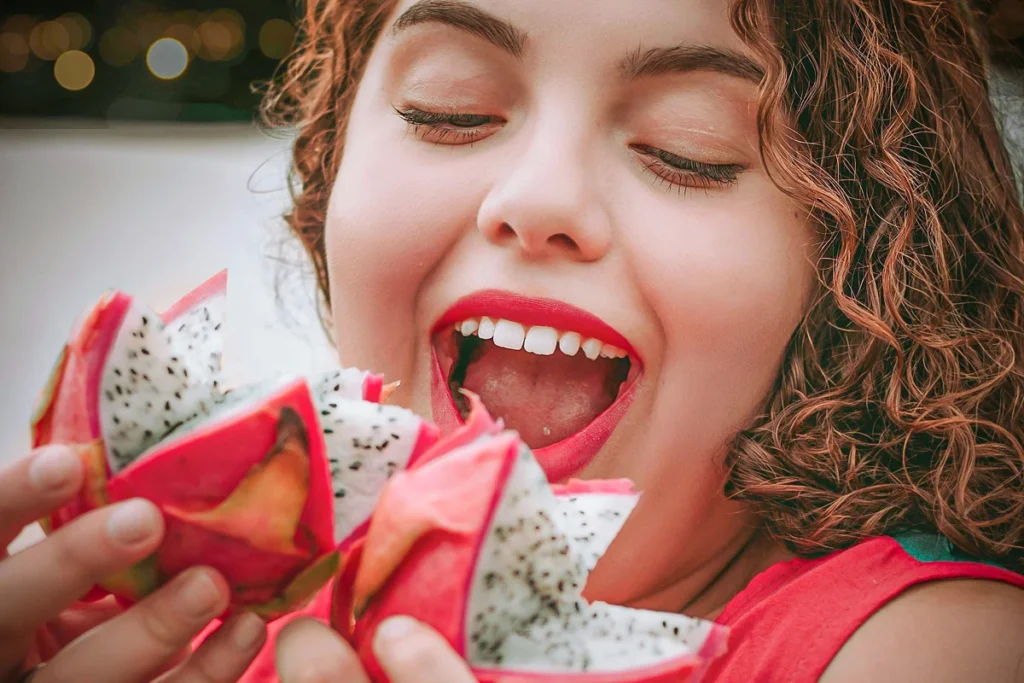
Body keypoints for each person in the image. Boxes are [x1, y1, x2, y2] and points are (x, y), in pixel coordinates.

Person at [3, 0, 1024, 681]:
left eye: (689, 149)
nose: (537, 199)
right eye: (447, 111)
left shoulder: (930, 651)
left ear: (859, 264)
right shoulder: (186, 636)